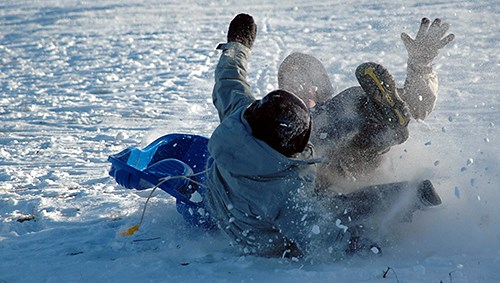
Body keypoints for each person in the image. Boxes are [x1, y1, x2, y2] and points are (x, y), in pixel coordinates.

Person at [203, 13, 441, 260]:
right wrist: (359, 245)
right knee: (337, 206)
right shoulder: (285, 194)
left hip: (327, 164)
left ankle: (383, 131)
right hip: (278, 234)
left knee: (349, 105)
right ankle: (407, 191)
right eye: (295, 86)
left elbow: (228, 76)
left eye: (311, 87)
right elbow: (321, 240)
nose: (305, 92)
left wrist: (238, 44)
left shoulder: (241, 116)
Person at [278, 18, 455, 192]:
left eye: (304, 81)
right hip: (320, 187)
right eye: (290, 84)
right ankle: (383, 126)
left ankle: (381, 119)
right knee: (318, 122)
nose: (298, 88)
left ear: (319, 84)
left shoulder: (339, 105)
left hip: (366, 171)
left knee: (351, 101)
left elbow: (416, 105)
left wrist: (420, 66)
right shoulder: (279, 123)